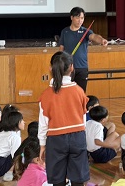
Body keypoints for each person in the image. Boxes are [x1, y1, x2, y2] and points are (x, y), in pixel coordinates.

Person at [38, 51, 90, 186]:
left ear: (51, 68)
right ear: (72, 67)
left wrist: (42, 144)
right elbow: (83, 120)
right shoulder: (79, 91)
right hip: (78, 136)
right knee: (78, 180)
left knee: (57, 181)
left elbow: (43, 124)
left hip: (56, 140)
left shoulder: (46, 95)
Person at [59, 6, 108, 92]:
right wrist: (60, 64)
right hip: (68, 68)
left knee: (81, 93)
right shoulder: (65, 31)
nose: (80, 20)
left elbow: (94, 37)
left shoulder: (86, 31)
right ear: (72, 17)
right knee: (67, 92)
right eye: (78, 17)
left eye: (82, 18)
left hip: (82, 68)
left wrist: (101, 40)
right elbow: (61, 49)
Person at [0, 111, 25, 181]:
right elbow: (16, 157)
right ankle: (9, 173)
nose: (24, 122)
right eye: (21, 120)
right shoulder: (15, 137)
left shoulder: (2, 133)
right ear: (16, 123)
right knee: (20, 154)